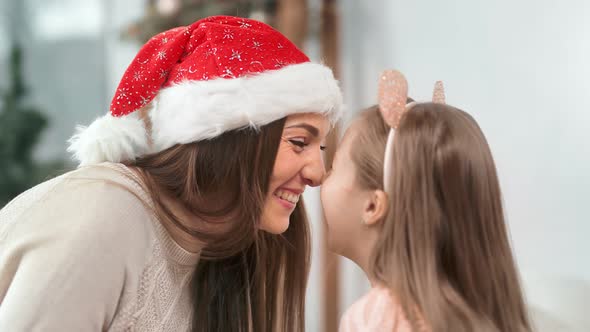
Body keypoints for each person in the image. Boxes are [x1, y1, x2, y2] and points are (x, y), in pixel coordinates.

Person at [0, 15, 342, 332]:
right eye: (299, 142)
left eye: (320, 148)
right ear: (230, 138)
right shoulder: (106, 216)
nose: (318, 173)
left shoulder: (213, 252)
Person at [320, 70, 531, 331]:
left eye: (332, 166)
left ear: (373, 205)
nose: (319, 177)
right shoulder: (485, 315)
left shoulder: (373, 319)